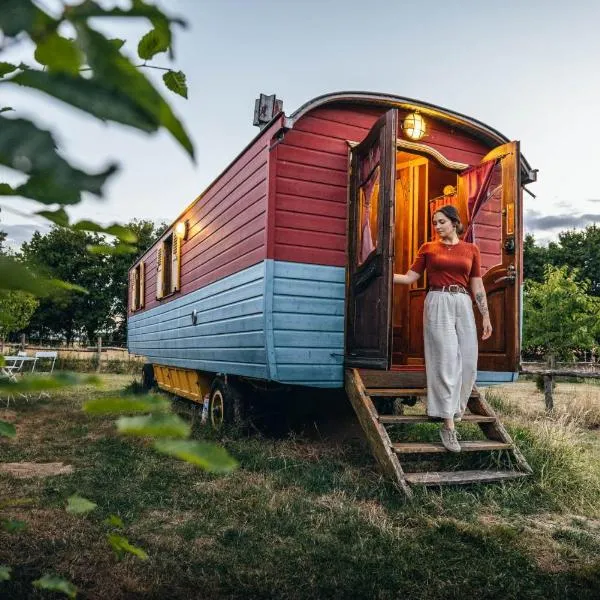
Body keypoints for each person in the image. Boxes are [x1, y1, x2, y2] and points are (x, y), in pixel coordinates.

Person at [393, 205, 492, 452]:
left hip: (463, 302)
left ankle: (453, 409)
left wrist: (486, 316)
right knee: (446, 361)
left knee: (468, 362)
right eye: (434, 223)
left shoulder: (471, 249)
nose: (436, 227)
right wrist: (380, 273)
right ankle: (448, 426)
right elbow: (409, 278)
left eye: (441, 222)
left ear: (454, 222)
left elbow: (477, 286)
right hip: (438, 301)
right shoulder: (428, 249)